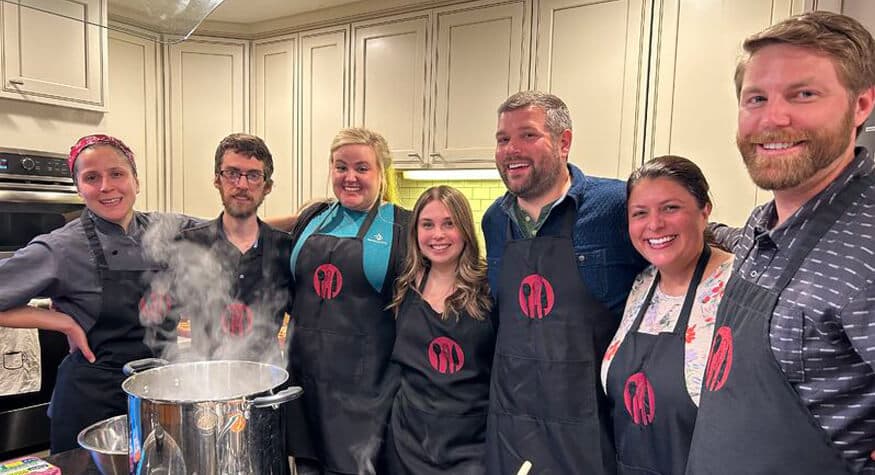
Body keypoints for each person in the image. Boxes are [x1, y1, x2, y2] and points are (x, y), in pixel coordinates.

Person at [686, 11, 875, 474]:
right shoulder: (764, 222)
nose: (773, 118)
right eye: (756, 98)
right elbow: (736, 238)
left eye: (803, 94)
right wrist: (696, 227)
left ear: (861, 105)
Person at [482, 91, 647, 474]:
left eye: (527, 135)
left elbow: (682, 237)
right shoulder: (494, 220)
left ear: (564, 142)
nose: (511, 150)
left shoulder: (615, 204)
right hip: (513, 421)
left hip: (594, 424)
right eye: (503, 139)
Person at [0, 134, 198, 452]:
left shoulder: (170, 229)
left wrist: (305, 215)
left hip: (159, 395)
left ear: (136, 180)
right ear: (79, 188)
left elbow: (236, 232)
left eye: (117, 173)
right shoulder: (61, 247)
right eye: (92, 178)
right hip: (91, 403)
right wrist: (63, 323)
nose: (106, 186)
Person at [285, 127, 410, 474]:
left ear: (381, 172)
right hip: (304, 392)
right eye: (341, 167)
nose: (350, 177)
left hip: (368, 401)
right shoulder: (312, 218)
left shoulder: (404, 227)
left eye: (362, 168)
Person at [601, 156, 733, 474]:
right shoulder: (642, 283)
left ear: (704, 211)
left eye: (670, 208)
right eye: (640, 213)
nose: (655, 224)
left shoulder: (737, 286)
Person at [385, 185, 496, 475]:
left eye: (449, 224)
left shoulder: (490, 287)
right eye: (427, 225)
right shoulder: (404, 286)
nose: (438, 235)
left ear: (465, 230)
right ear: (415, 232)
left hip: (470, 443)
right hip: (407, 439)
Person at [159, 133, 292, 364]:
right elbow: (162, 319)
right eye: (232, 173)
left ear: (267, 186)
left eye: (253, 175)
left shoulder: (286, 249)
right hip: (204, 384)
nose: (241, 185)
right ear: (217, 180)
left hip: (268, 386)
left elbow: (308, 322)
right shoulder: (188, 244)